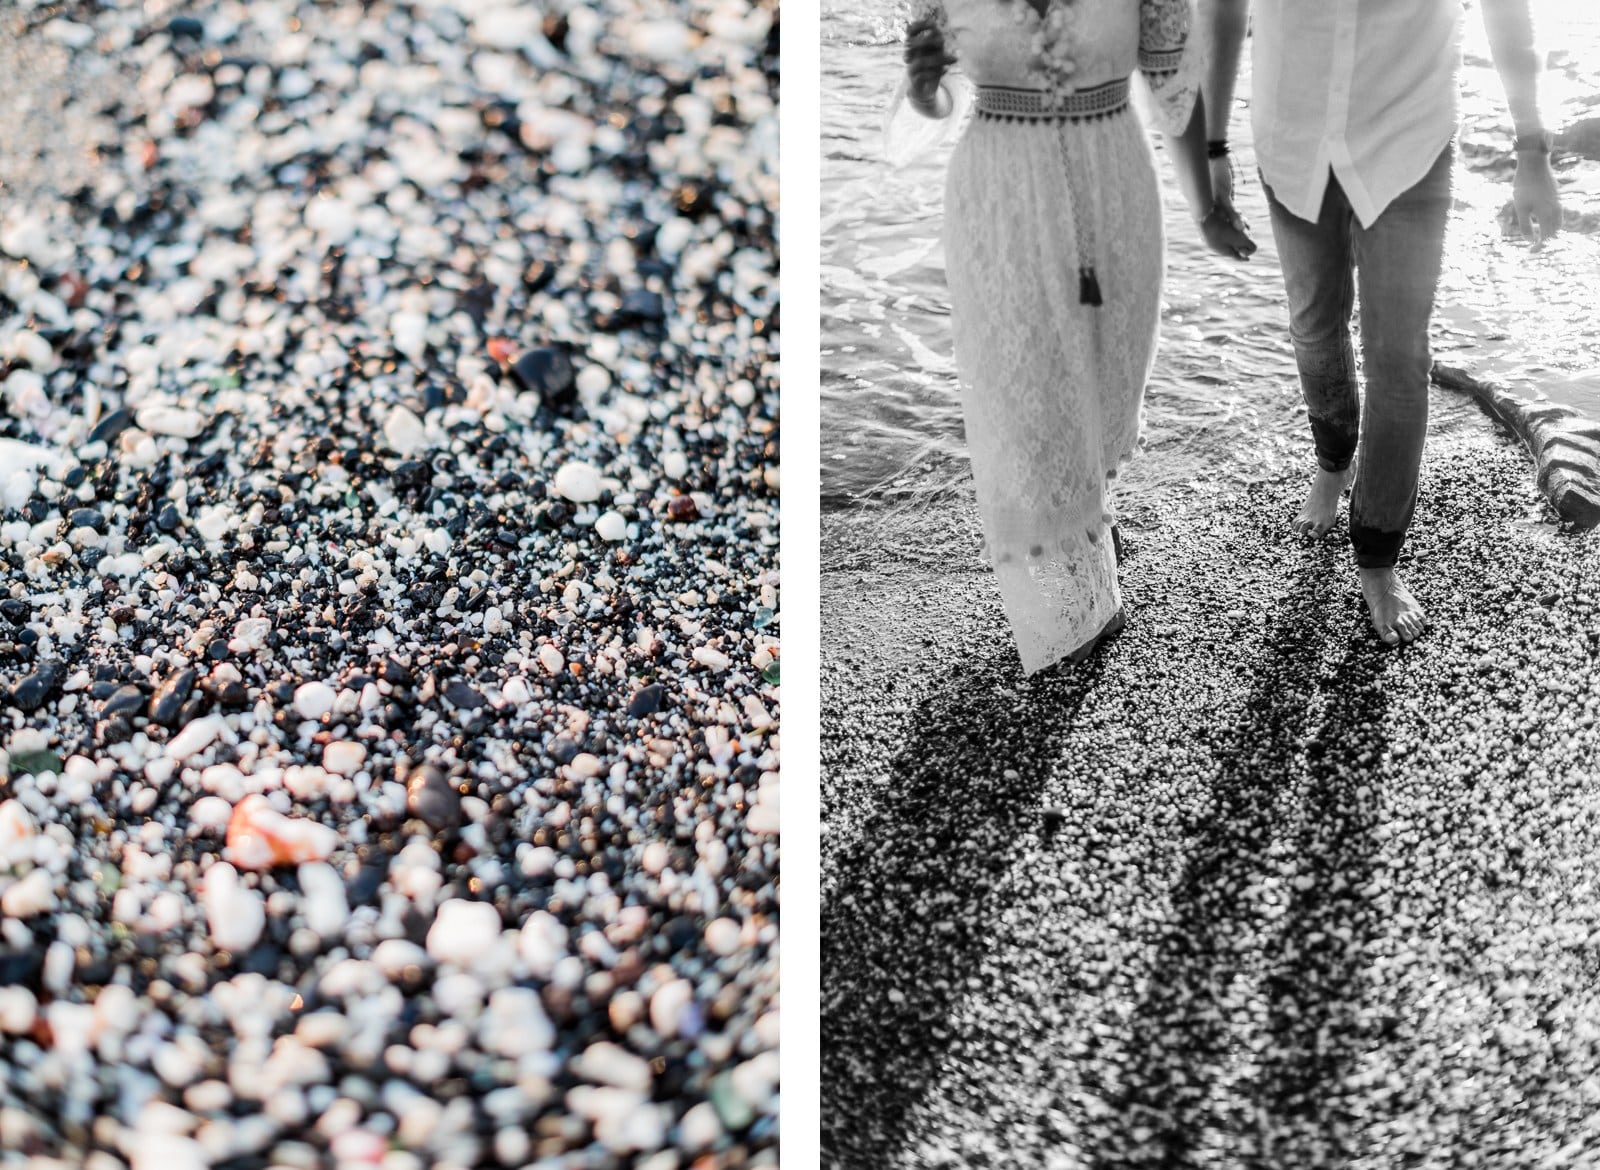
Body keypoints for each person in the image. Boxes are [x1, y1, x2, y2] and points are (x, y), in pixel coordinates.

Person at [899, 0, 1254, 675]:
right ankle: (1076, 608)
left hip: (1113, 189)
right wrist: (924, 92)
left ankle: (1094, 525)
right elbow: (931, 98)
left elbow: (1174, 88)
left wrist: (1207, 206)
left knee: (1106, 386)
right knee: (1022, 393)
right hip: (999, 201)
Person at [1208, 0, 1563, 645]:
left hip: (1410, 136)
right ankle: (1333, 461)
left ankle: (1377, 555)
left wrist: (1531, 147)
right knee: (1315, 323)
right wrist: (1211, 144)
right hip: (1293, 132)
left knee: (1399, 358)